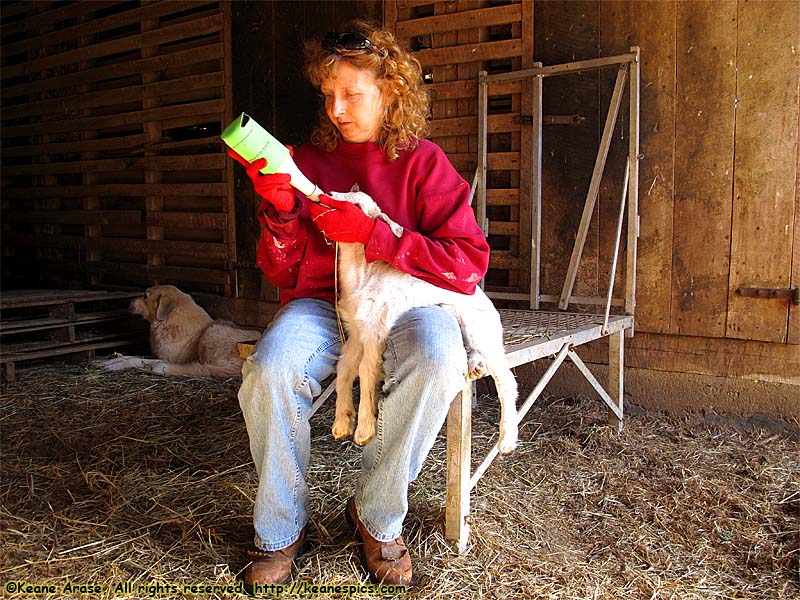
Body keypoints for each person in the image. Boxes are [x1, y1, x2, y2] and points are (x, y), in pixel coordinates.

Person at [230, 20, 490, 589]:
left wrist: (376, 235)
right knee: (271, 369)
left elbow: (468, 263)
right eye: (329, 94)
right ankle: (278, 530)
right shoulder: (303, 161)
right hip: (323, 303)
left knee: (439, 357)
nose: (337, 108)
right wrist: (277, 211)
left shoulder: (423, 163)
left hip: (403, 303)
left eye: (353, 93)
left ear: (390, 92)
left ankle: (376, 516)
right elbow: (278, 268)